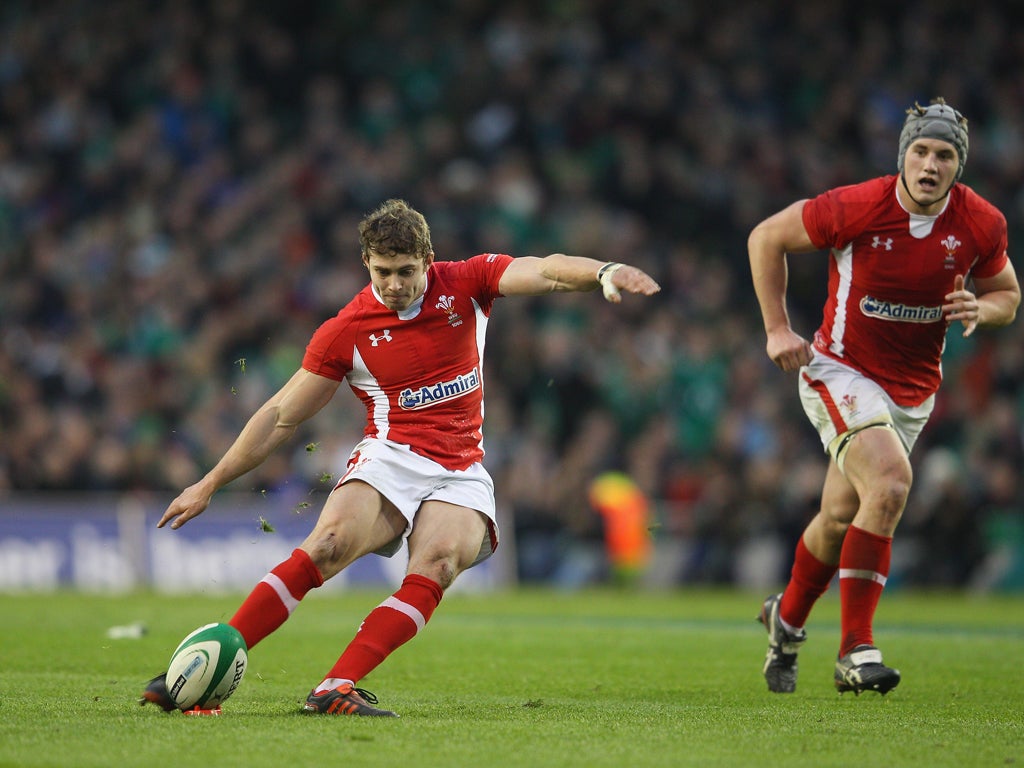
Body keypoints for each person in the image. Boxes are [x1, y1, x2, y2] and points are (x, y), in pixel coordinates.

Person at [139, 198, 661, 716]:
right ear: (366, 263)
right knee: (328, 545)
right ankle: (198, 669)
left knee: (438, 564)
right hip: (391, 456)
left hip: (460, 470)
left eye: (406, 271)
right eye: (382, 272)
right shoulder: (347, 330)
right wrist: (209, 483)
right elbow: (280, 416)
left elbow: (545, 270)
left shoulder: (468, 282)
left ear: (428, 261)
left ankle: (334, 687)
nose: (393, 284)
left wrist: (603, 271)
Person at [748, 98, 1019, 695]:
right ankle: (856, 651)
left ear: (959, 166)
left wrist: (985, 307)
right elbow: (766, 237)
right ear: (903, 156)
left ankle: (785, 621)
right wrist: (776, 328)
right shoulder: (856, 206)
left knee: (840, 516)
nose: (930, 164)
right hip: (839, 370)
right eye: (920, 151)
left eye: (944, 155)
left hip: (912, 393)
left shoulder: (981, 223)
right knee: (892, 485)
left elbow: (1008, 294)